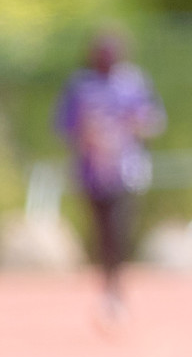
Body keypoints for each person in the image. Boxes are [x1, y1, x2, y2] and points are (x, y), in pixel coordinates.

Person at [52, 28, 165, 331]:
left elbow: (153, 120)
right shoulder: (81, 86)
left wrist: (136, 124)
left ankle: (115, 290)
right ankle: (108, 286)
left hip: (126, 171)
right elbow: (65, 125)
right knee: (101, 233)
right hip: (91, 173)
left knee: (119, 229)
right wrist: (87, 134)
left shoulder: (134, 83)